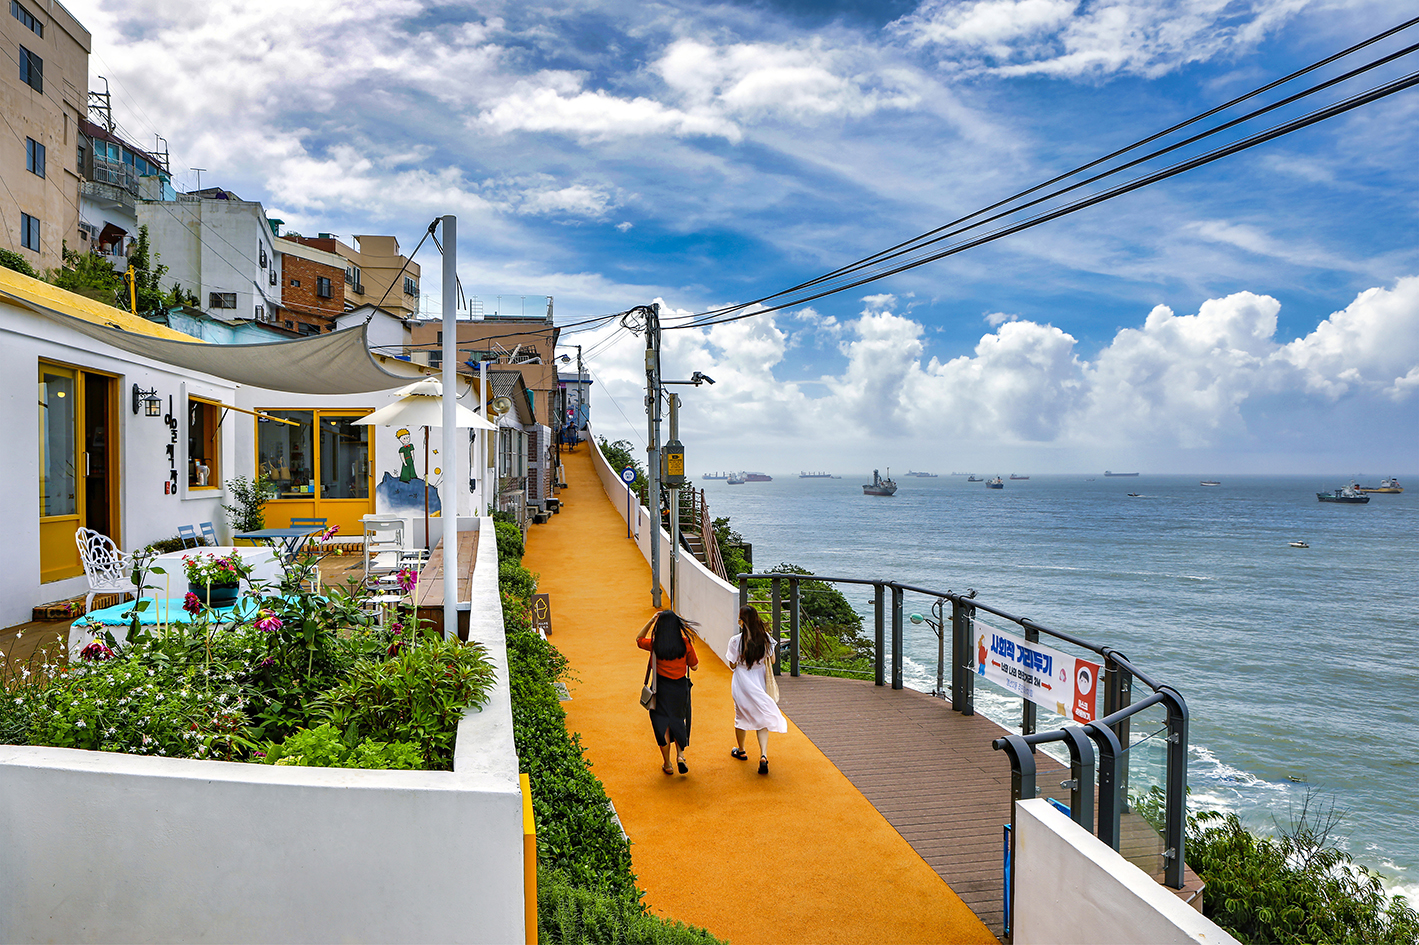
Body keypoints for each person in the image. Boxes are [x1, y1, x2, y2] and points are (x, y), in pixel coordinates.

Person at [726, 605, 787, 774]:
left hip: (742, 680)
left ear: (741, 621)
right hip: (759, 680)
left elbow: (732, 664)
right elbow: (773, 660)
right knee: (762, 717)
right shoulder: (766, 638)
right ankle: (763, 755)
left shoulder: (736, 640)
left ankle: (742, 750)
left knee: (740, 715)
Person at [636, 610, 699, 775]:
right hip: (679, 688)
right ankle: (680, 755)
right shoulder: (685, 643)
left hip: (661, 689)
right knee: (678, 720)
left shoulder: (656, 644)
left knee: (662, 724)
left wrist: (650, 621)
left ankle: (667, 763)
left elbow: (639, 639)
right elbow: (694, 666)